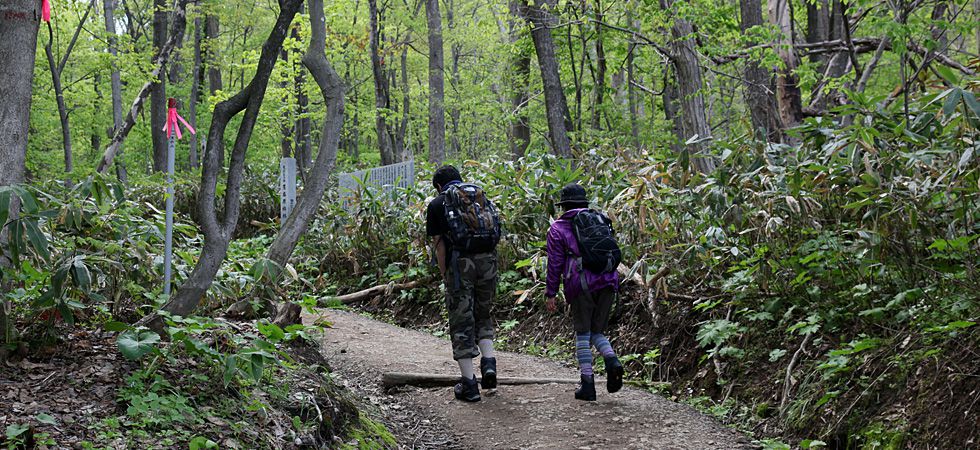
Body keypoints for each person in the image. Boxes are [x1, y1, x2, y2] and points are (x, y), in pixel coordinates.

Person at [426, 165, 501, 402]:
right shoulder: (478, 197)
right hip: (487, 262)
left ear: (439, 186)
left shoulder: (438, 204)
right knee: (483, 313)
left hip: (459, 266)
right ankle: (489, 364)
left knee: (461, 322)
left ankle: (469, 384)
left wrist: (444, 272)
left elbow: (440, 245)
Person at [544, 183, 624, 401]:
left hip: (581, 283)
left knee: (582, 332)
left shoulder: (558, 229)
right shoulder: (600, 219)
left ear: (564, 206)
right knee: (597, 331)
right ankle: (611, 360)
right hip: (609, 279)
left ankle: (587, 383)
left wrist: (551, 292)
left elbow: (555, 263)